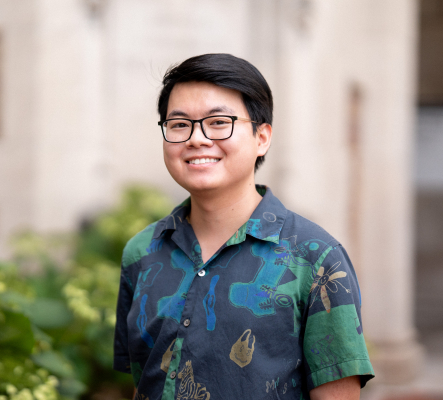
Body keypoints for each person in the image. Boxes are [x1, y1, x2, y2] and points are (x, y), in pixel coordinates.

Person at [113, 53, 374, 400]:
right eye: (179, 124)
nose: (197, 139)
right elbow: (143, 382)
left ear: (262, 137)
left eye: (218, 122)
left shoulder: (317, 259)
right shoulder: (142, 252)